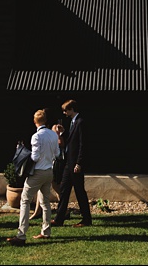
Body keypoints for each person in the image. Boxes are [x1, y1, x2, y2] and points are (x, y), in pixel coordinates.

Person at [7, 109, 59, 245]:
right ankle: (46, 231)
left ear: (35, 121)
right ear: (46, 120)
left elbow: (35, 157)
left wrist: (25, 155)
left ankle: (21, 234)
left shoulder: (36, 136)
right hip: (49, 171)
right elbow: (57, 153)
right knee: (45, 202)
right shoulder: (53, 135)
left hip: (38, 172)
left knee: (25, 200)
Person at [51, 99, 92, 227]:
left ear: (71, 109)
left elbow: (82, 144)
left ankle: (86, 219)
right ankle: (59, 219)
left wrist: (79, 163)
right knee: (64, 190)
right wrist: (63, 132)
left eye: (65, 110)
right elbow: (71, 141)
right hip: (69, 162)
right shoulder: (73, 122)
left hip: (75, 163)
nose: (64, 113)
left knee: (79, 191)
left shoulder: (80, 122)